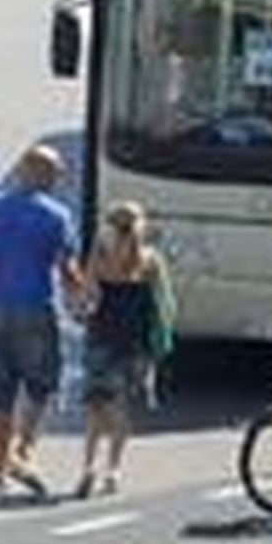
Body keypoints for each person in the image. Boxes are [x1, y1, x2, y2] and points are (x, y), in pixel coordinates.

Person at [0, 144, 82, 497]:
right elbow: (67, 269)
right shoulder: (56, 215)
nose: (58, 179)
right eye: (55, 173)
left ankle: (0, 465)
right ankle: (22, 452)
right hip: (33, 309)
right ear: (40, 173)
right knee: (41, 385)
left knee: (0, 394)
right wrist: (82, 299)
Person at [77, 198, 170, 496]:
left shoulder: (100, 256)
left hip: (101, 338)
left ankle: (88, 468)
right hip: (135, 343)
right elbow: (164, 305)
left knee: (95, 410)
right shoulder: (151, 259)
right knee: (121, 409)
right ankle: (113, 471)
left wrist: (82, 310)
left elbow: (87, 298)